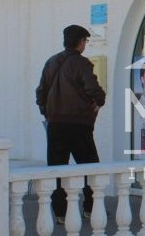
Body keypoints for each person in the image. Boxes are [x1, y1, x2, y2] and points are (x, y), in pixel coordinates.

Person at [35, 25, 106, 225]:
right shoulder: (81, 63)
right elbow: (93, 88)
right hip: (78, 124)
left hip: (55, 124)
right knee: (90, 168)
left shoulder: (51, 62)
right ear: (81, 41)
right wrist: (99, 101)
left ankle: (59, 213)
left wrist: (47, 112)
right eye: (86, 41)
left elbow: (40, 92)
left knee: (57, 169)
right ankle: (90, 210)